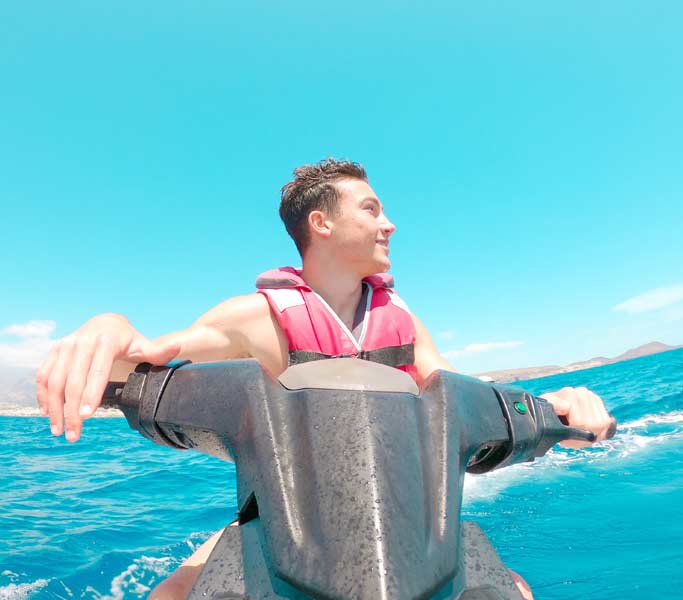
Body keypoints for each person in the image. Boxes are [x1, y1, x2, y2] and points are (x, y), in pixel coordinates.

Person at [36, 158, 613, 600]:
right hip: (284, 527)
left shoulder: (405, 321)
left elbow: (462, 404)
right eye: (370, 208)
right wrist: (107, 326)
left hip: (411, 524)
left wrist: (555, 405)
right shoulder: (256, 316)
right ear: (322, 223)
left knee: (515, 589)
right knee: (174, 593)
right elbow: (144, 356)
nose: (389, 223)